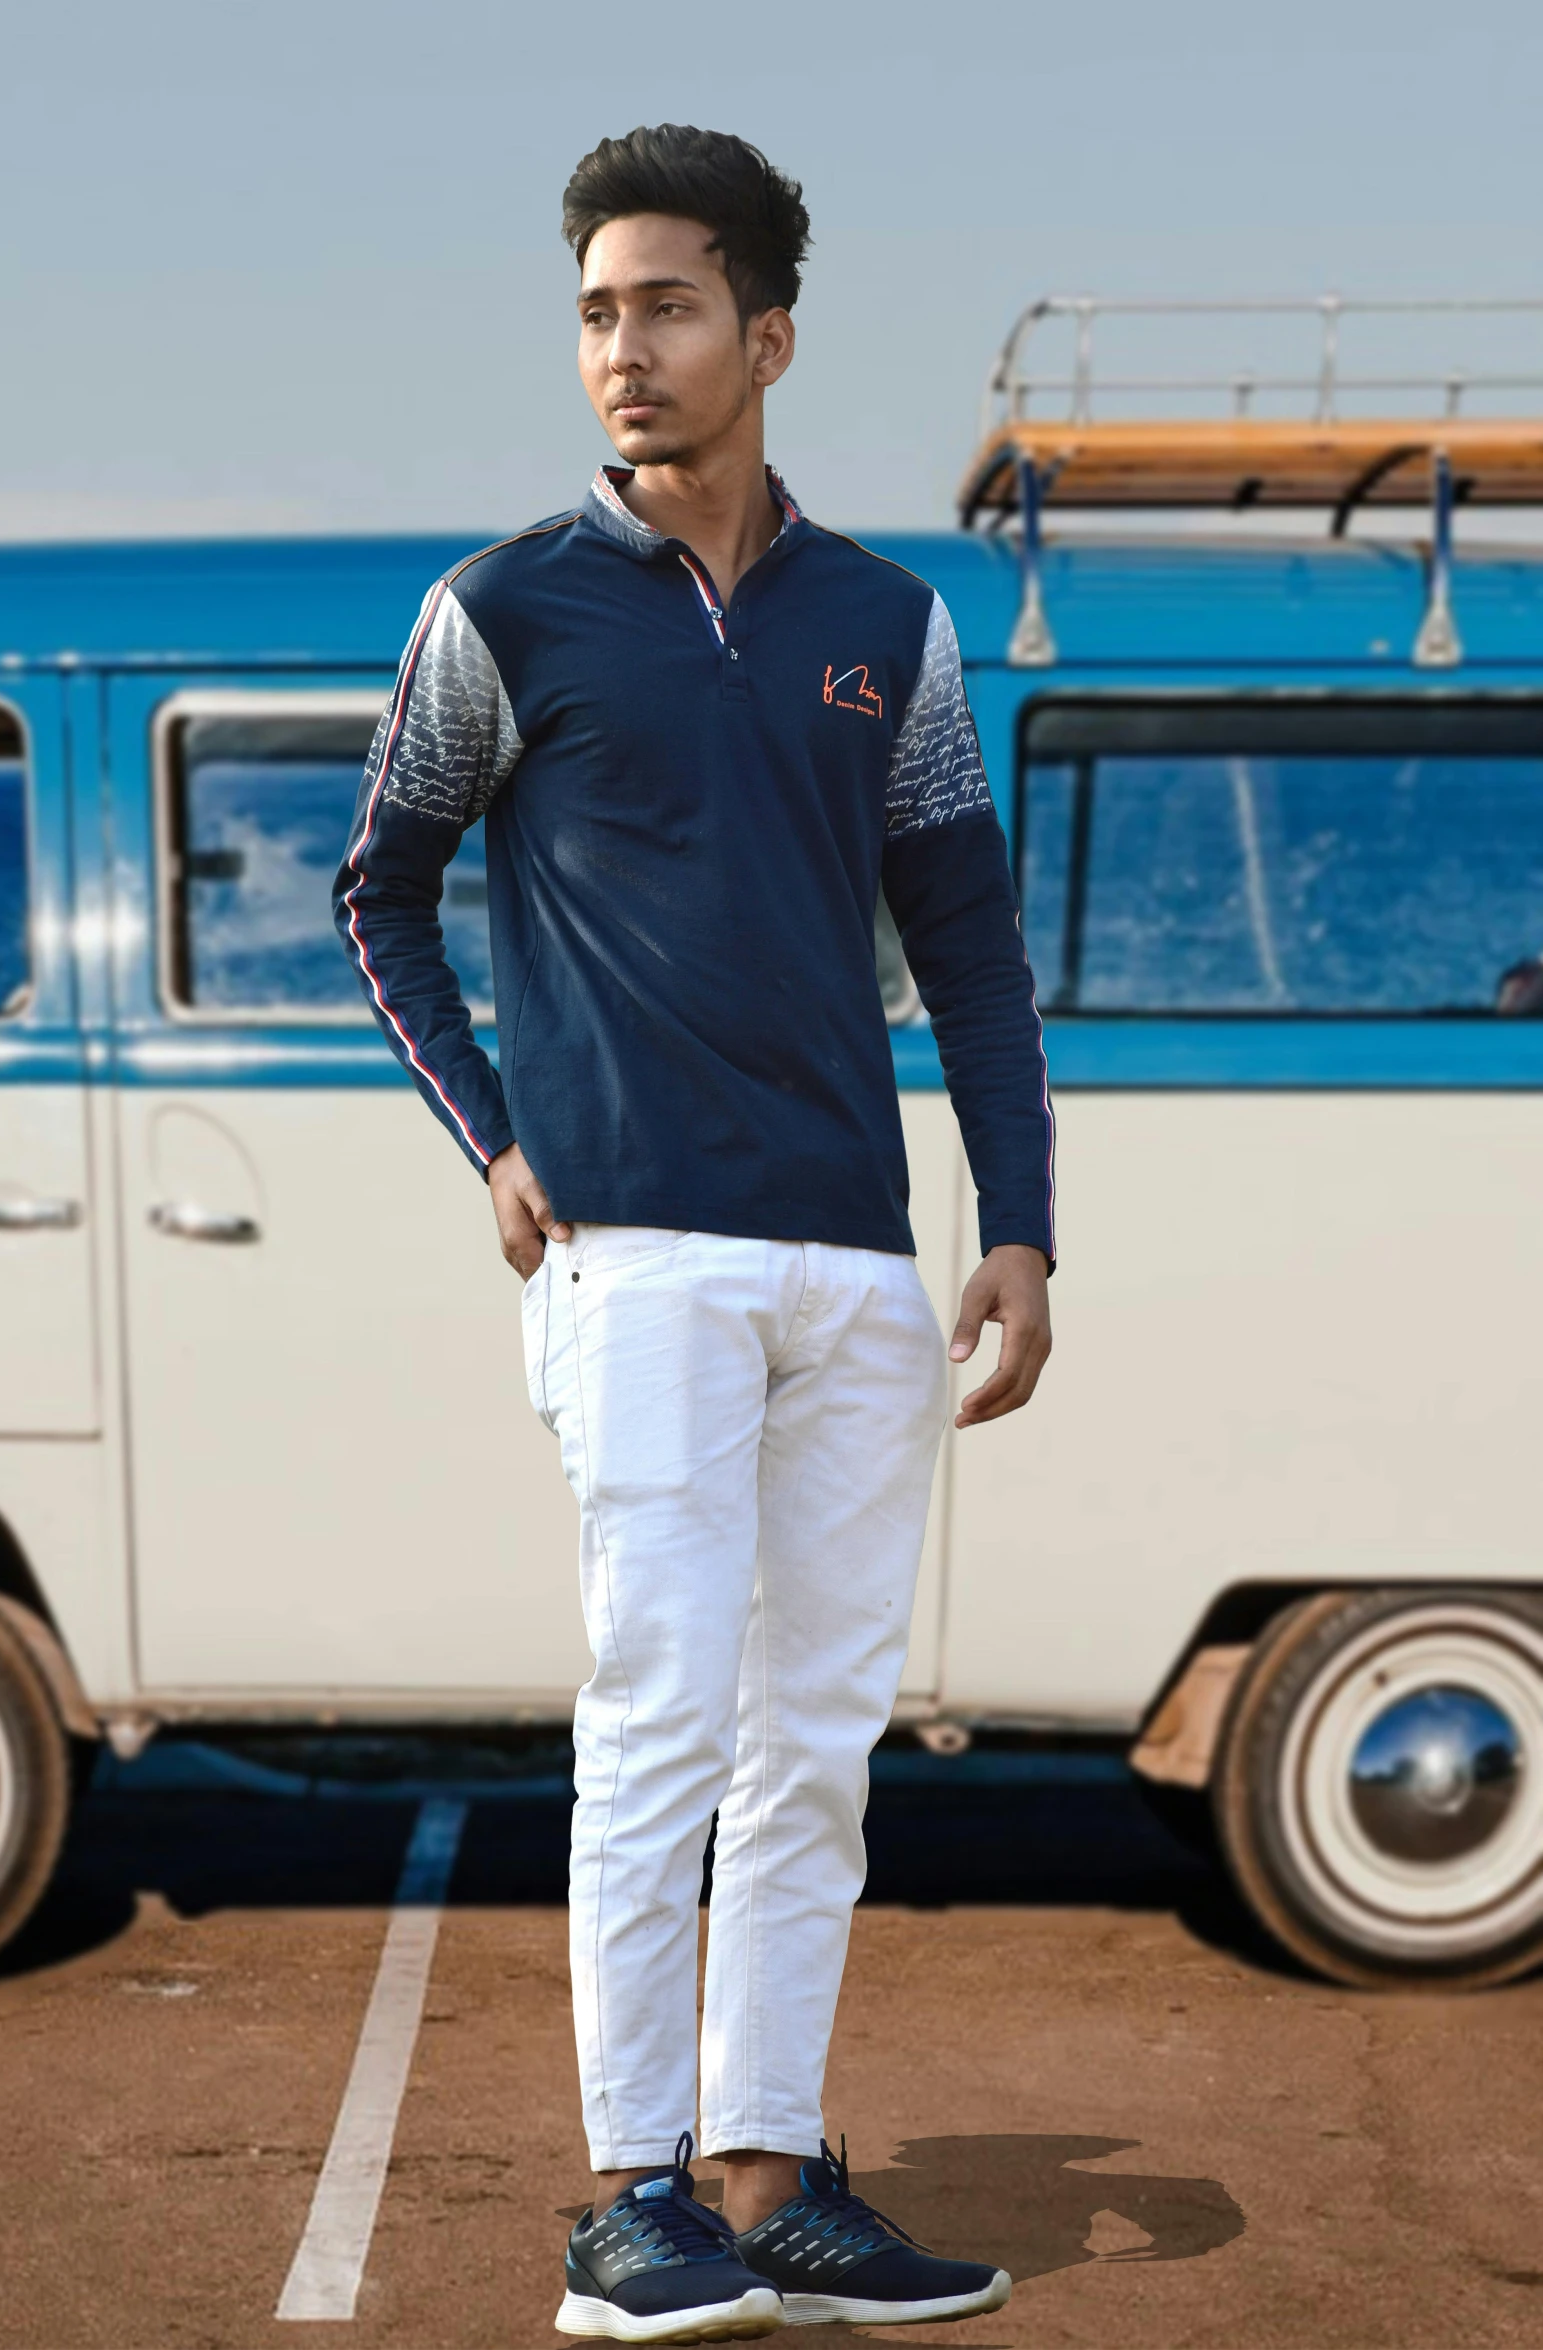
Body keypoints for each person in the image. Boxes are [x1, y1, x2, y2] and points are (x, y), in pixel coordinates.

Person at [334, 123, 1055, 2345]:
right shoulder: (503, 605)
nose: (618, 350)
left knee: (814, 1732)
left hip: (852, 1257)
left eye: (660, 305)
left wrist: (1016, 1221)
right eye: (592, 312)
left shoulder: (890, 623)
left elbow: (964, 930)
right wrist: (491, 1133)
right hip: (635, 1251)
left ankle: (768, 2170)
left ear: (768, 335)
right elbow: (381, 886)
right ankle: (628, 2194)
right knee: (656, 1717)